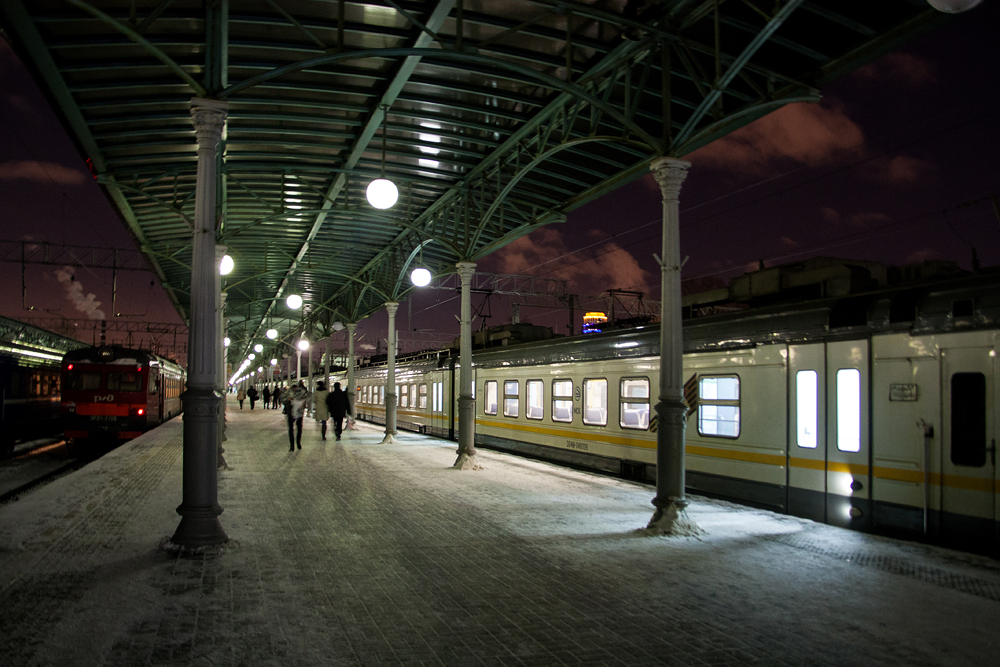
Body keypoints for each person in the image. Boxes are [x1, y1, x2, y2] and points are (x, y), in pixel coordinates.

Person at [285, 381, 310, 451]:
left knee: (292, 429)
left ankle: (294, 445)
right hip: (296, 412)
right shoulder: (301, 392)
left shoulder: (291, 393)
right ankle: (296, 444)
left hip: (295, 412)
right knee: (297, 428)